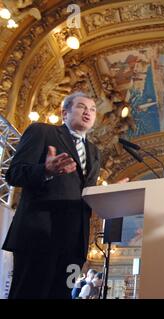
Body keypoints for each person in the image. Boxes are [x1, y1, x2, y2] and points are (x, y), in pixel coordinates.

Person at [2, 92, 102, 299]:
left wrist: (109, 195)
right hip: (39, 235)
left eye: (92, 109)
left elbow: (86, 192)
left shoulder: (94, 151)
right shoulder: (42, 132)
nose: (88, 112)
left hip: (74, 242)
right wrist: (45, 171)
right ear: (64, 112)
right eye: (82, 107)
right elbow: (14, 174)